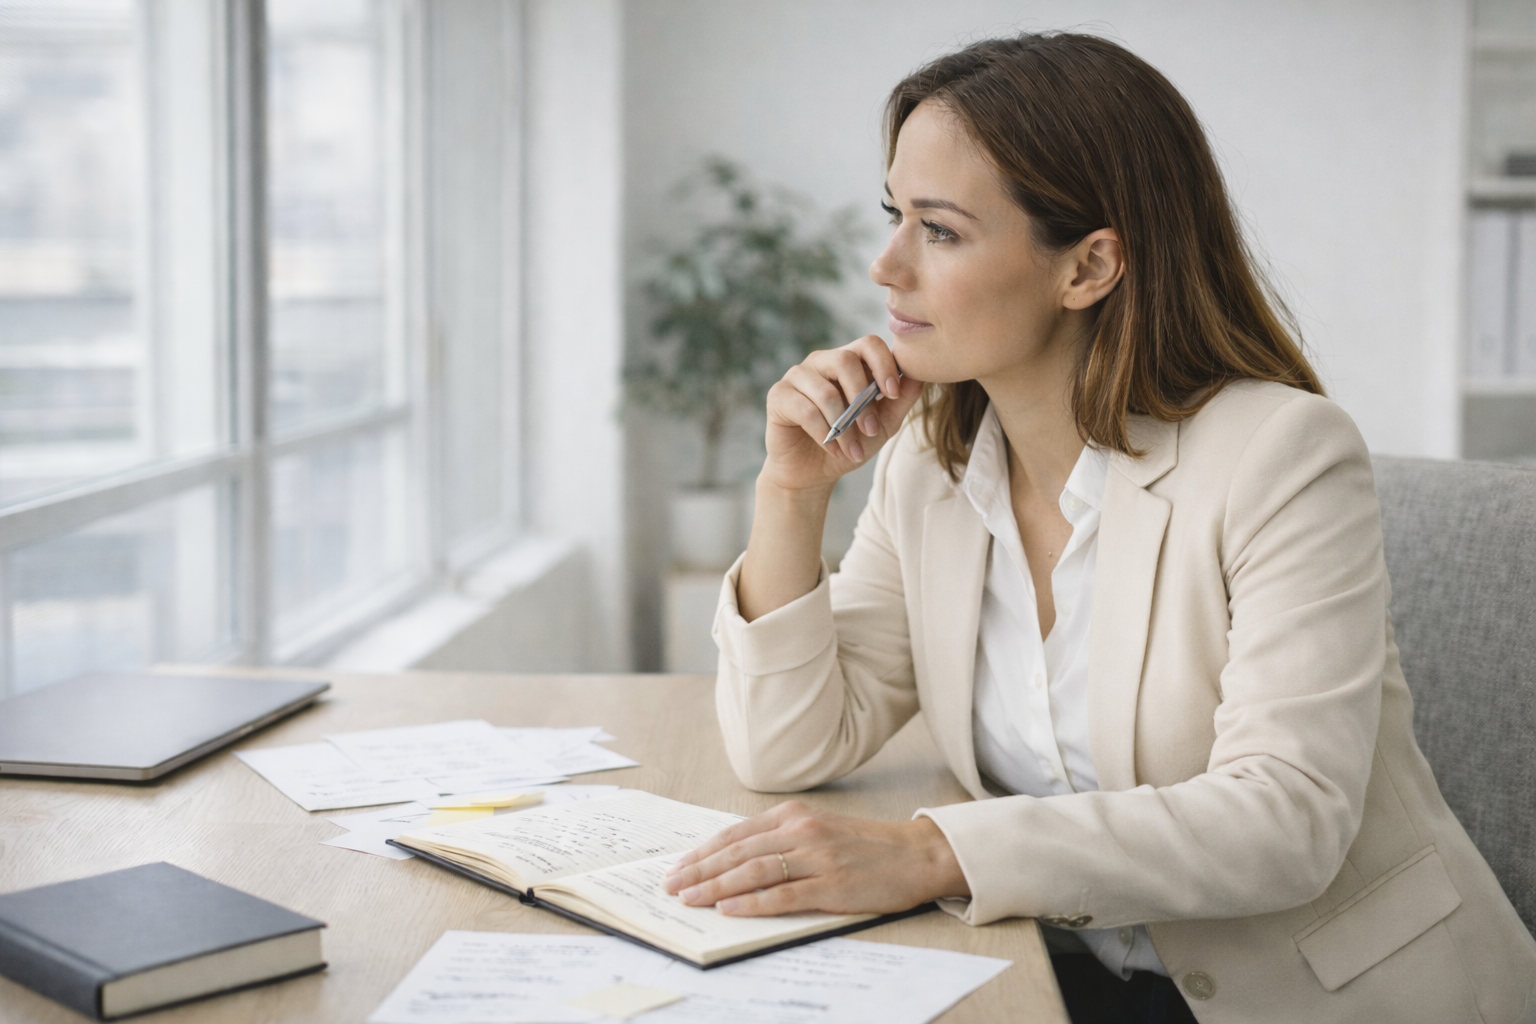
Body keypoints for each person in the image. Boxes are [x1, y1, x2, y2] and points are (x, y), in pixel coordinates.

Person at [658, 32, 1536, 1024]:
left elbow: (1287, 818)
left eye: (938, 231)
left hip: (1328, 997)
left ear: (1089, 266)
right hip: (1064, 978)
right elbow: (787, 745)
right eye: (893, 216)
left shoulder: (1282, 454)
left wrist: (933, 852)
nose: (885, 265)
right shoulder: (931, 467)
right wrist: (790, 491)